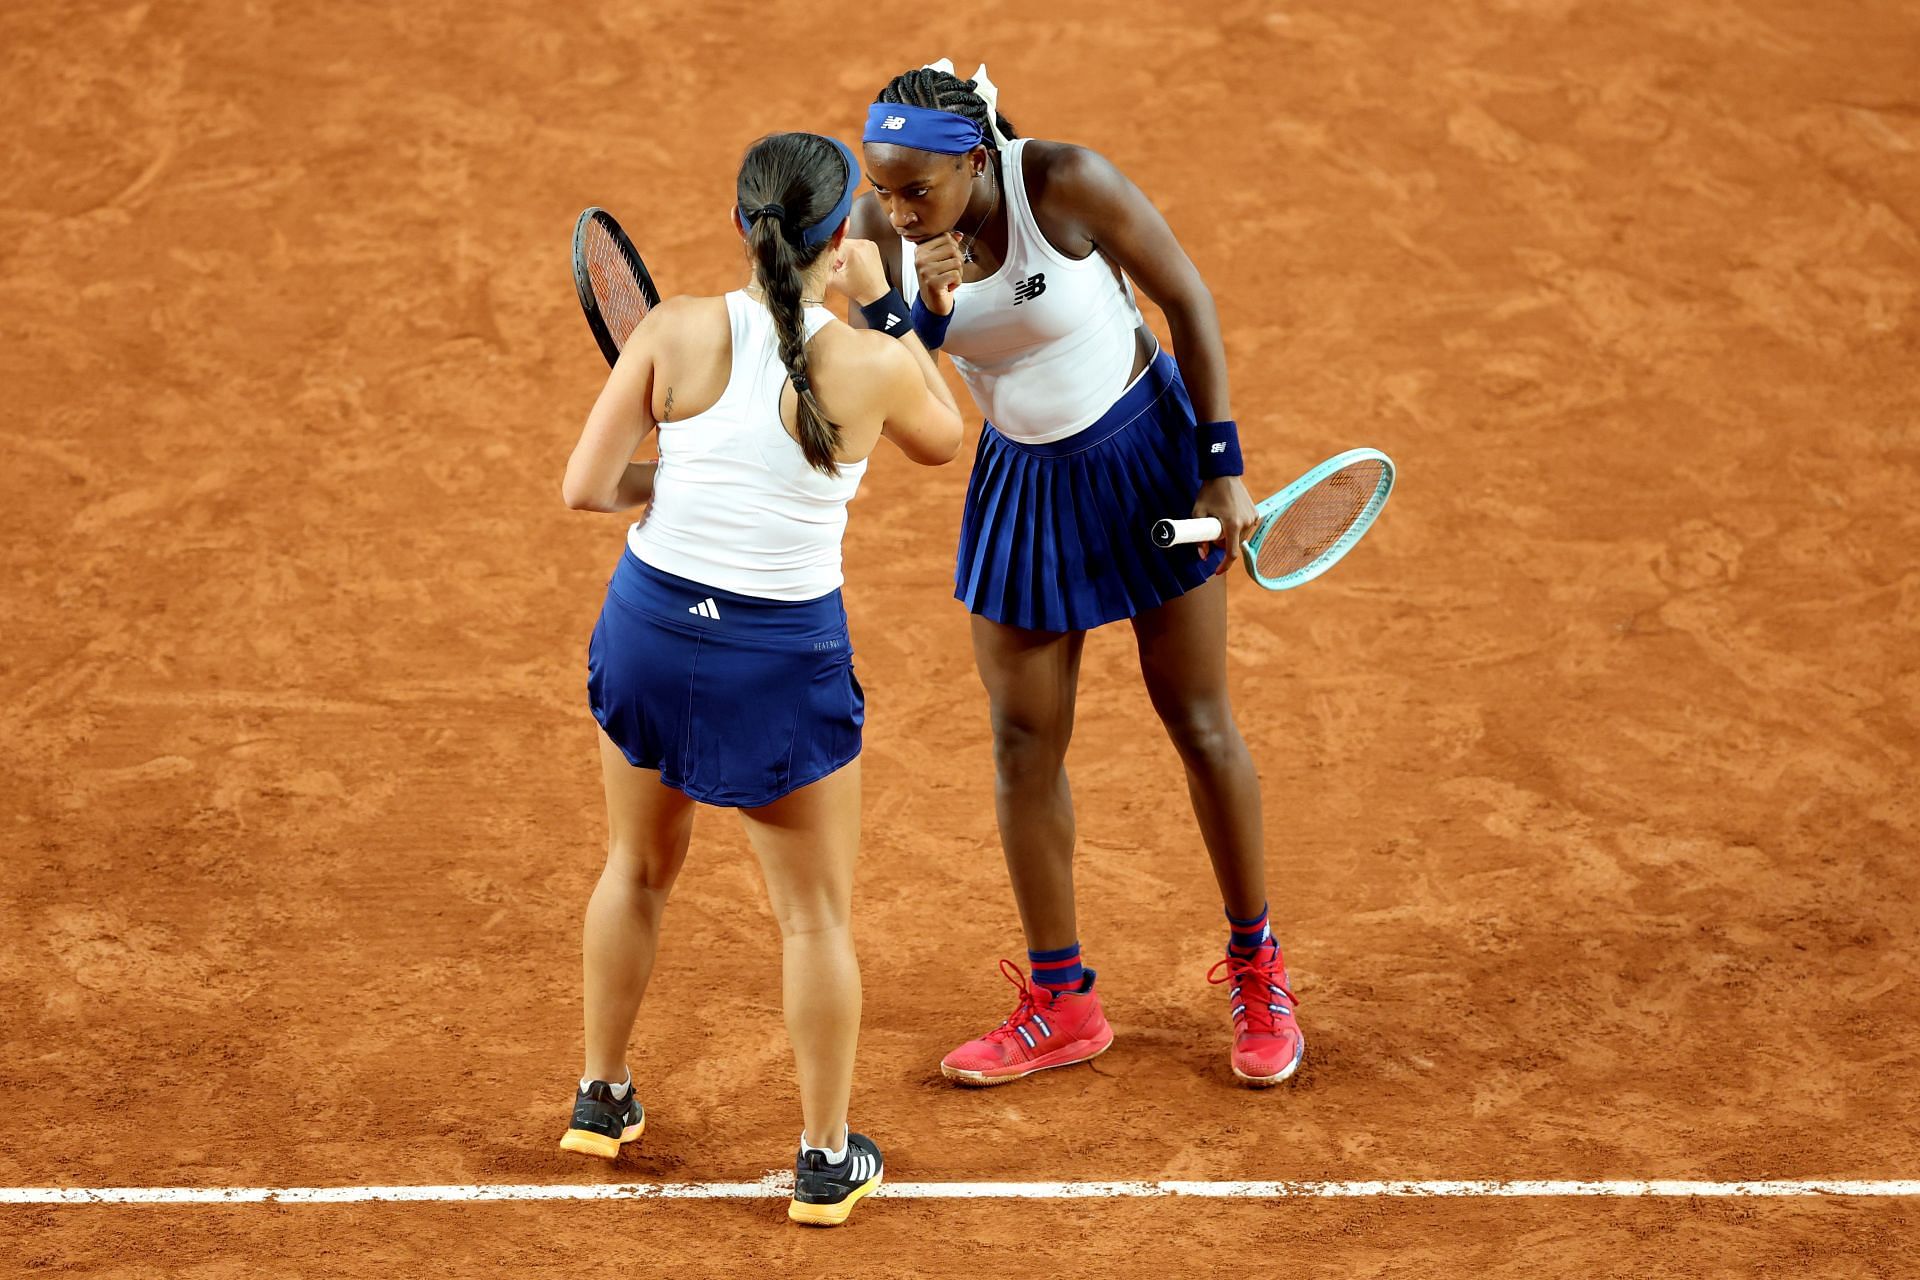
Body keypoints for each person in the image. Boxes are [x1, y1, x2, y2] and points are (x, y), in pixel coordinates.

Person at [850, 63, 1304, 1089]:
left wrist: (1222, 467)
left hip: (1150, 456)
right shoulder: (883, 242)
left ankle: (1257, 964)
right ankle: (1062, 999)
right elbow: (907, 398)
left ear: (974, 160)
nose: (894, 207)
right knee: (1022, 738)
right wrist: (919, 307)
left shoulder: (1064, 183)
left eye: (915, 188)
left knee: (1198, 720)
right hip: (1024, 486)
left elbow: (1184, 294)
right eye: (881, 188)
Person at [557, 129, 961, 1225]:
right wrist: (883, 306)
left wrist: (680, 472)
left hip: (647, 632)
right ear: (840, 244)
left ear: (743, 228)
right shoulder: (874, 361)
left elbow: (589, 486)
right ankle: (826, 1158)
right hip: (777, 662)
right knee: (814, 919)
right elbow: (945, 435)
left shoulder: (673, 328)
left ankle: (600, 1095)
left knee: (635, 868)